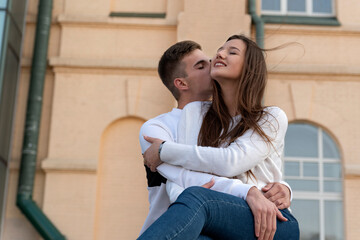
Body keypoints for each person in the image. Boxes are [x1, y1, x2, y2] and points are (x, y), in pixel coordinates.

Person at [140, 35, 299, 239]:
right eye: (220, 50)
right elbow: (182, 179)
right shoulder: (194, 113)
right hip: (217, 217)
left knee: (198, 197)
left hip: (273, 220)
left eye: (232, 52)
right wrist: (247, 191)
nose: (219, 54)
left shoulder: (271, 117)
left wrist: (163, 150)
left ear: (249, 68)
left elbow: (233, 161)